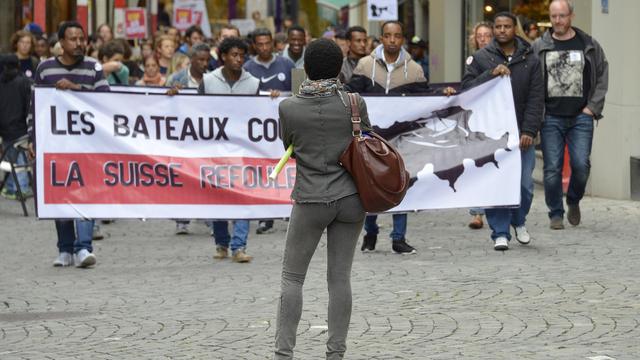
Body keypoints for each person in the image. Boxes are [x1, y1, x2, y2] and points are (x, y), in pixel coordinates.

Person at [274, 38, 370, 360]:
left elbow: (289, 143)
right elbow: (365, 140)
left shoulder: (288, 107)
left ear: (306, 69)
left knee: (292, 278)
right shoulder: (354, 102)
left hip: (310, 198)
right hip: (351, 198)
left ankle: (283, 353)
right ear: (340, 66)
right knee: (340, 278)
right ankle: (335, 353)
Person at [346, 21, 430, 254]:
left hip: (400, 140)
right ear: (381, 38)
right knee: (369, 185)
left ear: (402, 39)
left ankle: (398, 237)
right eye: (388, 36)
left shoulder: (414, 70)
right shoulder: (364, 65)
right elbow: (352, 96)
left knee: (399, 183)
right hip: (370, 139)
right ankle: (370, 233)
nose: (392, 40)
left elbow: (425, 103)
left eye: (397, 36)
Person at [462, 11, 544, 251]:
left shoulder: (530, 58)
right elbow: (467, 90)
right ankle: (499, 232)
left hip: (522, 135)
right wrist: (491, 73)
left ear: (514, 29)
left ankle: (519, 221)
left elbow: (536, 97)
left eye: (506, 26)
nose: (501, 30)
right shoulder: (481, 57)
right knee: (495, 182)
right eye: (498, 26)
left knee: (524, 186)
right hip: (491, 134)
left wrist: (529, 129)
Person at [31, 21, 110, 268]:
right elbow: (35, 106)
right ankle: (65, 248)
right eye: (73, 39)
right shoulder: (45, 69)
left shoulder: (93, 67)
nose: (78, 43)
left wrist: (76, 89)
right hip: (56, 143)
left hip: (87, 144)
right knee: (60, 193)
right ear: (61, 43)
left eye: (81, 38)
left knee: (87, 192)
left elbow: (107, 101)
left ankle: (84, 247)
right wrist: (33, 138)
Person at [533, 0, 608, 229]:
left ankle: (573, 200)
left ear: (571, 16)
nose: (558, 21)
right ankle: (555, 212)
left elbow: (603, 74)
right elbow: (531, 80)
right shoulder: (539, 46)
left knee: (581, 165)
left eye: (562, 16)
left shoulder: (588, 44)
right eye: (554, 16)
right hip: (550, 117)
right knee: (552, 168)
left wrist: (592, 108)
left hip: (581, 116)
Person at [199, 37, 259, 263]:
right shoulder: (208, 81)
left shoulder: (253, 83)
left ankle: (239, 246)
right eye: (234, 55)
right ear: (223, 56)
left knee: (243, 196)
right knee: (219, 196)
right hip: (215, 148)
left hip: (242, 149)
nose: (238, 59)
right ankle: (222, 243)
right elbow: (196, 112)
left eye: (242, 55)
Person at [243, 28, 295, 234]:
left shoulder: (287, 64)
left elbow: (298, 91)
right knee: (263, 170)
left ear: (273, 43)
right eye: (260, 44)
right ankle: (266, 216)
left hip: (283, 128)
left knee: (286, 169)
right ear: (254, 46)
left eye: (267, 43)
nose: (264, 47)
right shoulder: (247, 68)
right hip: (259, 130)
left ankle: (287, 209)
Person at [466, 21, 494, 229]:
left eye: (487, 35)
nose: (483, 38)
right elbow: (468, 87)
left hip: (498, 117)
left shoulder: (502, 58)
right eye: (479, 35)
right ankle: (477, 213)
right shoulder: (472, 61)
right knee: (477, 164)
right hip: (478, 119)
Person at [0, 54, 33, 200]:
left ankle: (12, 188)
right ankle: (22, 188)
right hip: (22, 129)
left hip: (5, 130)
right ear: (18, 65)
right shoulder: (25, 82)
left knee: (11, 159)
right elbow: (29, 106)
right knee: (19, 160)